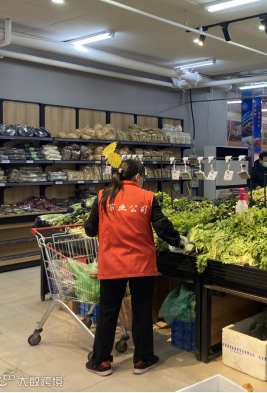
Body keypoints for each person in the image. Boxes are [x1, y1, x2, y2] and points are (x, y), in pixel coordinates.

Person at [84, 159, 183, 376]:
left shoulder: (103, 196)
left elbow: (90, 229)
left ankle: (101, 361)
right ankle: (142, 359)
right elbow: (162, 227)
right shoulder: (148, 197)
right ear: (138, 176)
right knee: (142, 311)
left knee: (108, 312)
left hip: (112, 264)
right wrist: (178, 241)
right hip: (141, 265)